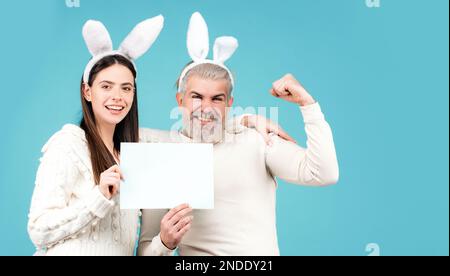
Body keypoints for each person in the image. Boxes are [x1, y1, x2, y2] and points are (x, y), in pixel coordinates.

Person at [138, 12, 339, 256]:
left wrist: (307, 104)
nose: (206, 107)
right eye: (197, 97)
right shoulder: (158, 155)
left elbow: (324, 173)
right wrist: (165, 243)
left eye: (216, 99)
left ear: (229, 103)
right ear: (180, 100)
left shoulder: (256, 140)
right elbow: (145, 251)